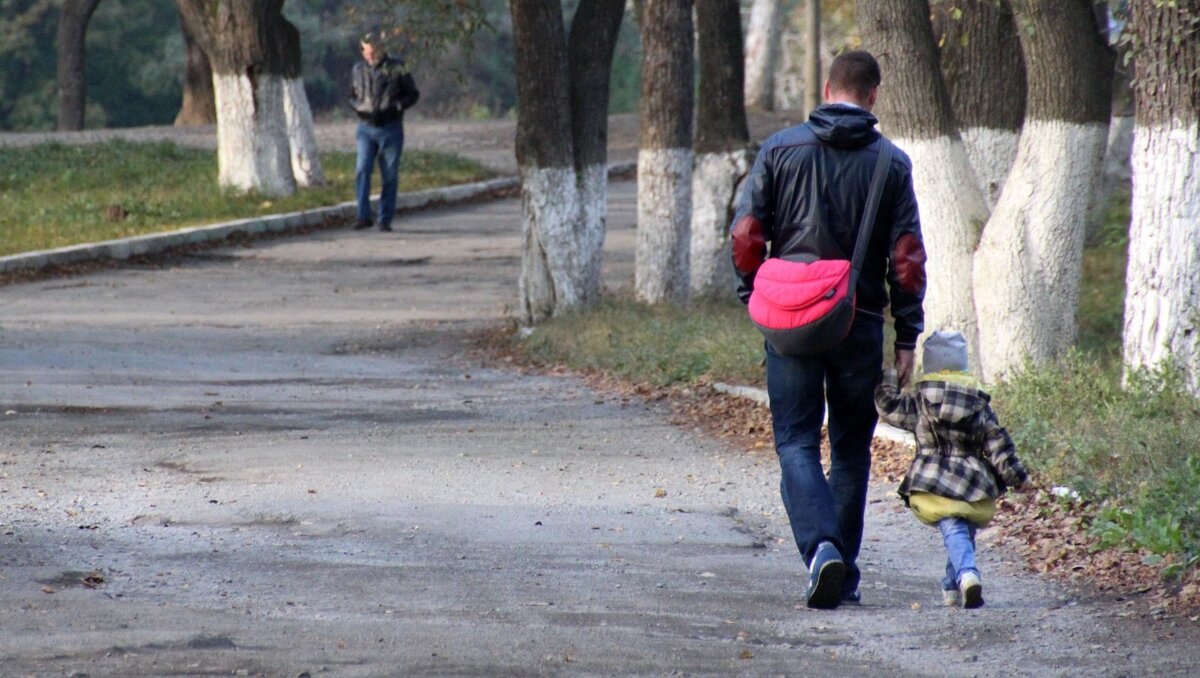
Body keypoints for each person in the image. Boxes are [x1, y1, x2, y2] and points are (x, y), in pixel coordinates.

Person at [730, 50, 927, 609]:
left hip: (788, 321)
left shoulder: (780, 148)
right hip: (858, 322)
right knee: (849, 450)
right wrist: (907, 335)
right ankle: (844, 564)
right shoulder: (891, 163)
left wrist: (754, 295)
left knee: (794, 441)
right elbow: (907, 259)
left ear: (825, 88)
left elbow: (747, 235)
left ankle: (822, 552)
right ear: (873, 97)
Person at [874, 330, 1029, 608]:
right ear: (963, 366)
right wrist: (1017, 478)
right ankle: (953, 585)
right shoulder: (979, 403)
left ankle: (967, 575)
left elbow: (888, 407)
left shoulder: (922, 401)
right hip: (972, 482)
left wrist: (890, 376)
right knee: (962, 530)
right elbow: (998, 444)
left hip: (933, 480)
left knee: (954, 528)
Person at [350, 33, 420, 232]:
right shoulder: (357, 69)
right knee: (362, 169)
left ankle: (385, 218)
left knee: (389, 174)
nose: (370, 57)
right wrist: (357, 106)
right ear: (362, 50)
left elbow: (413, 94)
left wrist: (398, 106)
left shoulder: (397, 67)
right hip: (365, 128)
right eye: (366, 52)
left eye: (373, 52)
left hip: (391, 127)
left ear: (381, 49)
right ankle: (363, 216)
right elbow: (352, 95)